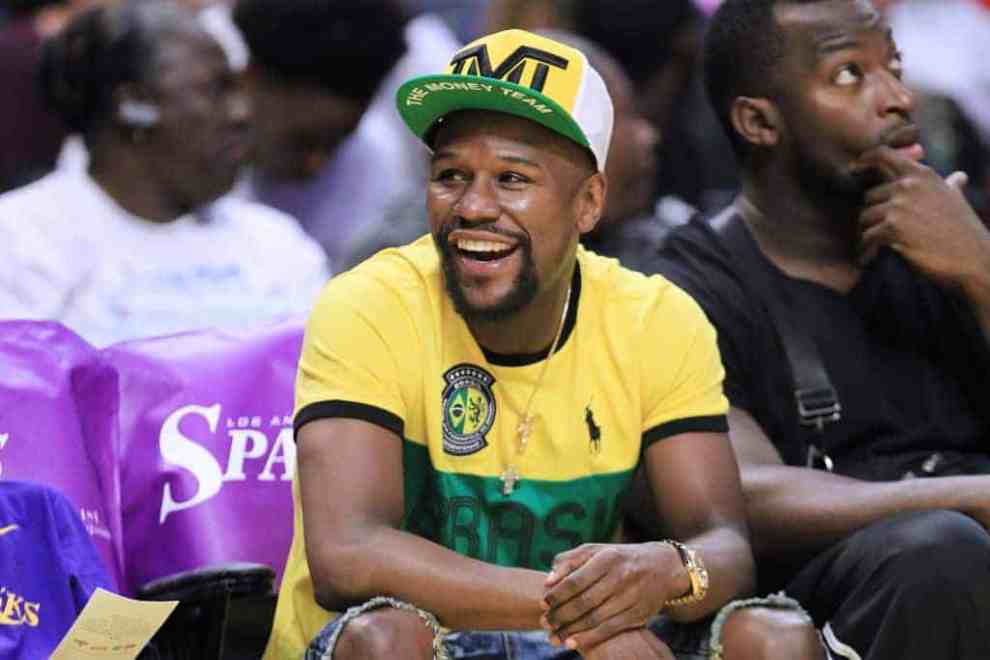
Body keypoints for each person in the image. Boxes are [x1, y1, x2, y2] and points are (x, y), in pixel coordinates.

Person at [267, 28, 824, 660]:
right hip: (431, 641)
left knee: (774, 639)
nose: (474, 206)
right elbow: (349, 553)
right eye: (451, 174)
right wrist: (589, 616)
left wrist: (669, 569)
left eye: (512, 178)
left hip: (577, 643)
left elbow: (722, 545)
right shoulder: (369, 302)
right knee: (387, 640)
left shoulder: (656, 319)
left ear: (588, 202)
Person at [654, 1, 990, 658]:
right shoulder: (692, 286)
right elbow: (736, 495)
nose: (897, 98)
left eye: (893, 67)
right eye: (848, 75)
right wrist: (971, 498)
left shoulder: (959, 229)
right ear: (758, 120)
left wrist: (981, 269)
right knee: (938, 554)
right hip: (838, 595)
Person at [0, 0, 328, 347]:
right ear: (132, 106)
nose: (242, 113)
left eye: (240, 89)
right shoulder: (21, 242)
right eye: (216, 89)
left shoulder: (278, 245)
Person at [232, 0, 419, 269]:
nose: (316, 164)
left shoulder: (374, 165)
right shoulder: (192, 159)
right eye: (303, 142)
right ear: (250, 80)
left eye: (336, 144)